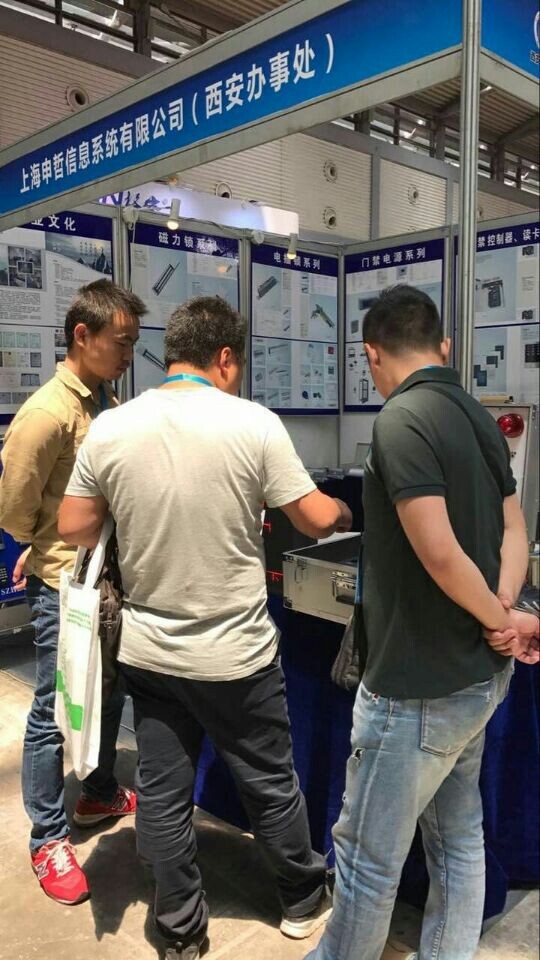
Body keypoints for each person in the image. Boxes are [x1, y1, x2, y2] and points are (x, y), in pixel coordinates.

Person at [57, 295, 353, 960]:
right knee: (270, 782)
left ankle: (180, 928)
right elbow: (313, 519)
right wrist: (340, 509)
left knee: (163, 794)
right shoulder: (252, 424)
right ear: (225, 358)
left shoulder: (112, 427)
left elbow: (73, 525)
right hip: (236, 657)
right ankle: (302, 900)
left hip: (149, 655)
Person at [306, 285, 530, 960]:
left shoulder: (400, 420)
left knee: (367, 859)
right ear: (445, 346)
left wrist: (496, 617)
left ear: (372, 354)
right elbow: (514, 529)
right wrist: (505, 612)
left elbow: (438, 553)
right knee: (458, 839)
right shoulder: (477, 415)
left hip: (415, 686)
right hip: (477, 676)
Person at [0, 279, 147, 906]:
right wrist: (40, 544)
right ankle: (47, 838)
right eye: (121, 342)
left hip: (108, 578)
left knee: (108, 694)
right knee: (54, 712)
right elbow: (14, 508)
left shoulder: (106, 399)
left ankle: (98, 792)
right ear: (82, 336)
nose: (128, 355)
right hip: (66, 588)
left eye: (133, 343)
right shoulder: (47, 414)